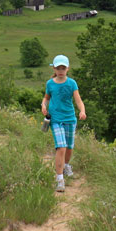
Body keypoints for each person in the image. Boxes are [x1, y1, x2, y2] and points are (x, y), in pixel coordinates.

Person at [41, 54, 86, 192]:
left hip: (70, 119)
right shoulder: (50, 84)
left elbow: (78, 100)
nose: (60, 70)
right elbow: (46, 98)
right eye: (58, 68)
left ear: (67, 69)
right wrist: (43, 105)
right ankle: (59, 179)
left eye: (63, 68)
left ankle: (66, 165)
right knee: (61, 147)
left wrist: (82, 111)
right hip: (56, 119)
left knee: (69, 146)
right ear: (54, 68)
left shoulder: (72, 83)